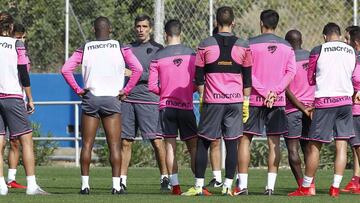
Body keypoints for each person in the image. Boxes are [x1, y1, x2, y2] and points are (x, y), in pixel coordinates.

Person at [61, 16, 143, 195]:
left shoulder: (86, 47)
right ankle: (115, 186)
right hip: (112, 98)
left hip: (91, 98)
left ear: (93, 30)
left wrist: (78, 89)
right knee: (114, 145)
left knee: (87, 144)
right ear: (110, 29)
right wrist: (126, 90)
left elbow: (65, 69)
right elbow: (138, 69)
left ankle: (85, 186)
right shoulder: (120, 46)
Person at [182, 6, 252, 196]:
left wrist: (203, 97)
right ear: (233, 23)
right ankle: (228, 185)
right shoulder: (244, 46)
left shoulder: (205, 44)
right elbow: (247, 78)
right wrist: (245, 101)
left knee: (204, 142)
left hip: (213, 101)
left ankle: (198, 186)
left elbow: (198, 77)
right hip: (235, 101)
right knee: (231, 143)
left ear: (216, 23)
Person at [288, 23, 356, 197]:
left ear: (325, 36)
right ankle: (335, 187)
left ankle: (306, 186)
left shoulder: (318, 50)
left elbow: (311, 79)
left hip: (325, 102)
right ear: (340, 36)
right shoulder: (352, 51)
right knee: (341, 145)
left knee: (314, 146)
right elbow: (353, 75)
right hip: (346, 102)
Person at [236, 9, 296, 196]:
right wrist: (274, 92)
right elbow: (291, 72)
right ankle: (269, 188)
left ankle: (243, 186)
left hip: (254, 99)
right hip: (276, 101)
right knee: (274, 143)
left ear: (261, 23)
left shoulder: (249, 44)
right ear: (276, 24)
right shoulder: (287, 46)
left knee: (245, 140)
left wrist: (263, 92)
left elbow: (246, 72)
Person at [148, 19, 198, 195]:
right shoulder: (192, 54)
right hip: (186, 107)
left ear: (165, 35)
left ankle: (175, 186)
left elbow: (152, 86)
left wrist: (165, 92)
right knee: (193, 147)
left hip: (166, 108)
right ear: (181, 33)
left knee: (170, 146)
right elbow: (197, 81)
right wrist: (188, 92)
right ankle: (198, 185)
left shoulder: (158, 57)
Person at [0, 11, 47, 195]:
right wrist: (30, 98)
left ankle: (2, 186)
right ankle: (32, 185)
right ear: (11, 27)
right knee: (26, 141)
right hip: (12, 96)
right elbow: (23, 73)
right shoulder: (17, 43)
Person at [120, 14, 169, 191]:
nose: (141, 29)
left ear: (150, 28)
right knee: (125, 141)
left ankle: (165, 177)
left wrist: (135, 74)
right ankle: (122, 180)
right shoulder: (127, 48)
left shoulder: (158, 49)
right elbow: (119, 70)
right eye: (138, 26)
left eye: (144, 26)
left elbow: (160, 75)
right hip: (128, 100)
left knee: (157, 141)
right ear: (135, 28)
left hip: (149, 100)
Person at [283, 29, 315, 194]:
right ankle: (311, 186)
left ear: (287, 43)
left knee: (293, 148)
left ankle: (303, 186)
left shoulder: (287, 59)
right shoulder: (312, 57)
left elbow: (286, 89)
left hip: (292, 110)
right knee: (309, 148)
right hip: (312, 110)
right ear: (301, 40)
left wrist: (301, 107)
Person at [6, 23, 29, 189]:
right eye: (18, 37)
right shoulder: (7, 51)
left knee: (15, 141)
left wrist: (27, 99)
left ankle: (10, 179)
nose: (21, 40)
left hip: (18, 98)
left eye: (23, 37)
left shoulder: (24, 54)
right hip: (8, 97)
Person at [341, 25, 360, 193]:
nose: (344, 42)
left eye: (346, 39)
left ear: (355, 42)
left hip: (357, 110)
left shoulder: (355, 59)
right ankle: (356, 179)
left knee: (357, 144)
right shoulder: (350, 58)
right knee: (356, 144)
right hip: (352, 109)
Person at [206, 25, 223, 188]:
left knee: (234, 142)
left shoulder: (236, 50)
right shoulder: (208, 52)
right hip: (214, 101)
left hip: (233, 101)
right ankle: (217, 178)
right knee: (214, 140)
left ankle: (239, 177)